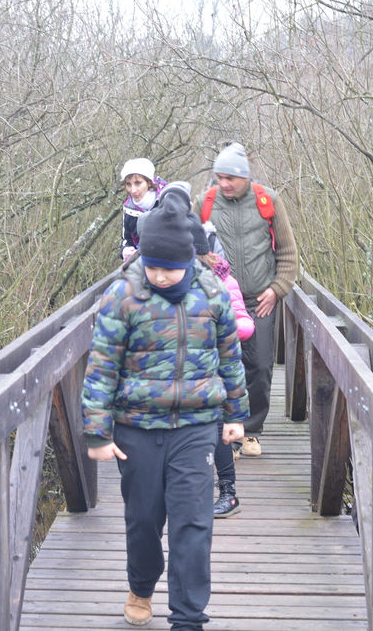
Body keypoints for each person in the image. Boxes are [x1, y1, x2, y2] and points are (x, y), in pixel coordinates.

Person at [81, 192, 249, 630]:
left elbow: (230, 358)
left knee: (193, 524)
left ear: (189, 260)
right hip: (135, 427)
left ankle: (189, 618)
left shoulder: (211, 294)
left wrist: (236, 415)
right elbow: (100, 367)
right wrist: (98, 435)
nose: (159, 275)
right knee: (143, 521)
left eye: (169, 267)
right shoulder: (122, 295)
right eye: (151, 265)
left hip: (197, 426)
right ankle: (141, 586)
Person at [157, 181, 254, 518]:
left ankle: (228, 490)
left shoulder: (220, 283)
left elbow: (238, 325)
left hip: (210, 371)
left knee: (215, 430)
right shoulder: (163, 275)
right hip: (174, 375)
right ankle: (184, 490)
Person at [199, 142, 297, 458]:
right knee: (218, 365)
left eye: (230, 178)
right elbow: (187, 248)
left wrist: (278, 288)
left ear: (245, 177)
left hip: (259, 300)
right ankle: (225, 431)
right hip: (218, 301)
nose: (224, 184)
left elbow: (287, 251)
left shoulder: (269, 201)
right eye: (219, 177)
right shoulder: (205, 203)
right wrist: (203, 259)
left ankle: (251, 431)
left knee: (259, 365)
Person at [119, 157, 167, 260]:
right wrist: (124, 251)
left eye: (138, 183)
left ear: (149, 182)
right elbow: (126, 239)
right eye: (128, 184)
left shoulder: (168, 201)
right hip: (141, 262)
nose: (133, 190)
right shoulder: (128, 207)